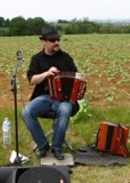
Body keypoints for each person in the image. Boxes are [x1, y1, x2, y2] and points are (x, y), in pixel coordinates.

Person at [22, 25, 80, 160]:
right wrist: (47, 73)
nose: (57, 43)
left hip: (64, 98)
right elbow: (32, 80)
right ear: (44, 41)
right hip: (45, 97)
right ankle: (43, 145)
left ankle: (57, 147)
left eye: (58, 39)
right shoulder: (37, 59)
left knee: (65, 110)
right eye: (53, 40)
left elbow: (76, 76)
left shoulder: (65, 58)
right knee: (26, 112)